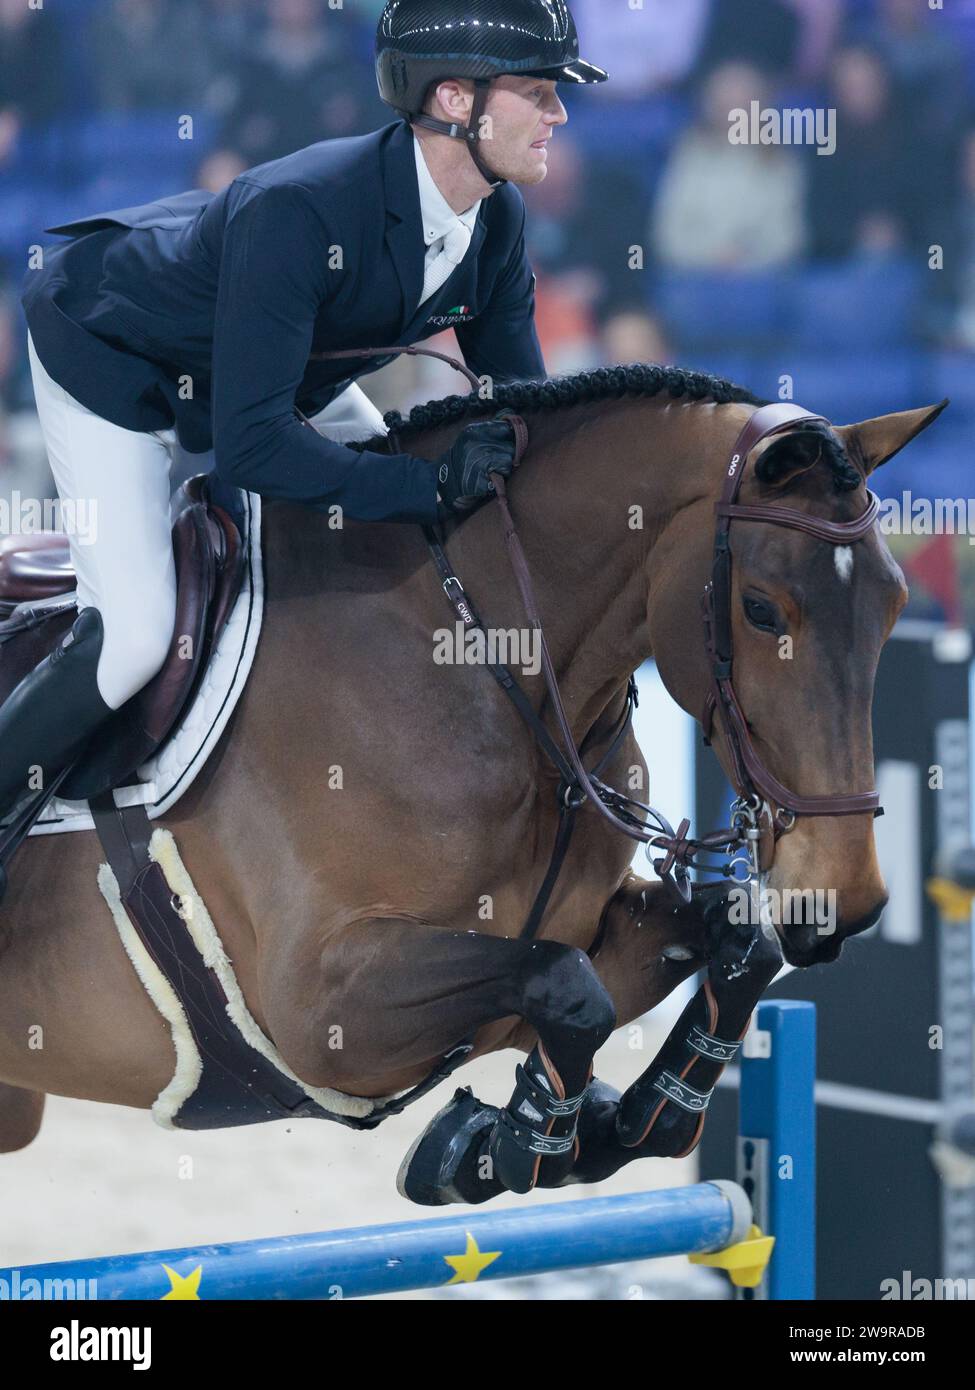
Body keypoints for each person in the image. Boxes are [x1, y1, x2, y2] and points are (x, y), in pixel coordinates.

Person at [2, 0, 607, 827]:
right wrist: (430, 482)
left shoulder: (494, 215)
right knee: (139, 633)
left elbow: (525, 406)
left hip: (270, 382)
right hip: (116, 357)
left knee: (407, 542)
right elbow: (251, 451)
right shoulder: (303, 211)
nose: (558, 113)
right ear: (455, 100)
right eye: (537, 91)